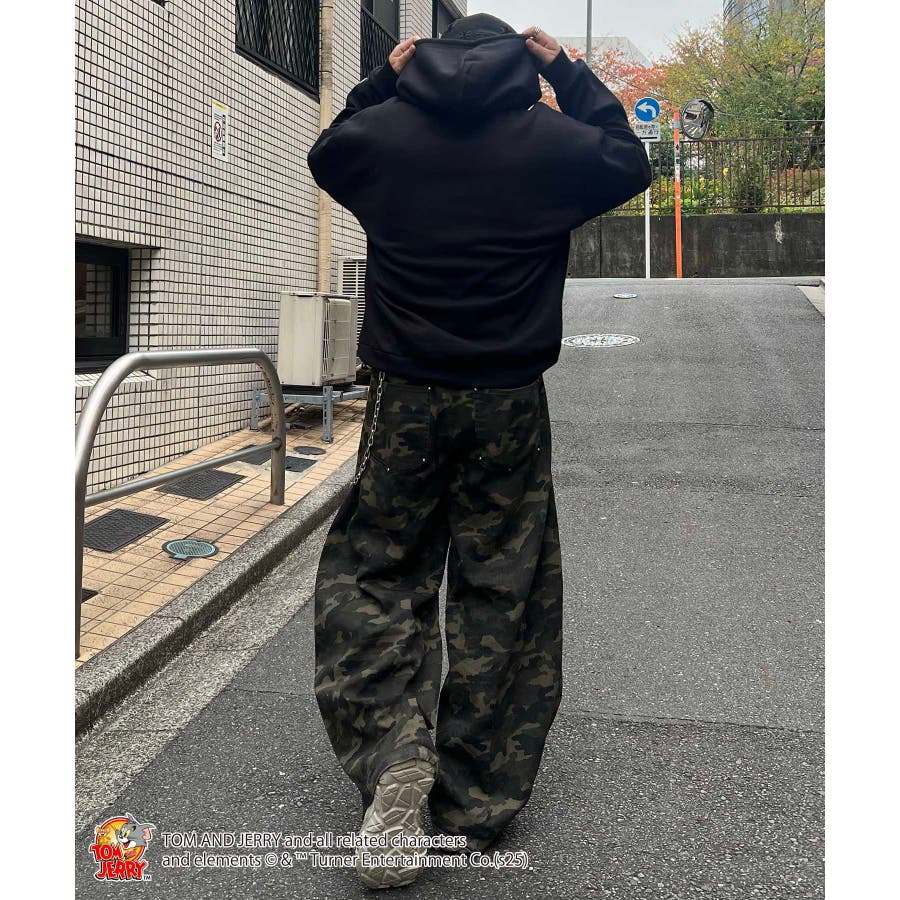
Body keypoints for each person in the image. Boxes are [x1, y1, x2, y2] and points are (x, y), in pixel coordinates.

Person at [307, 13, 652, 890]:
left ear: (421, 61)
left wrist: (383, 81)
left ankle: (395, 754)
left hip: (403, 398)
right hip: (508, 400)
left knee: (378, 572)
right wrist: (565, 70)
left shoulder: (382, 138)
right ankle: (474, 799)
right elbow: (629, 157)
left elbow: (329, 150)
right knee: (505, 583)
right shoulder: (551, 144)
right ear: (516, 66)